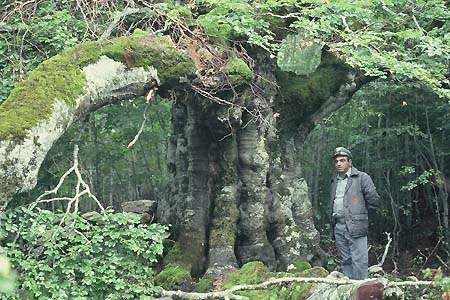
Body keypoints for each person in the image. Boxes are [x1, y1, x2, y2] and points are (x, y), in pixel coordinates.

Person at [329, 147, 380, 280]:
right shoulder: (334, 180)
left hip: (355, 225)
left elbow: (374, 200)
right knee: (346, 259)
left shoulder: (362, 177)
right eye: (336, 161)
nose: (339, 163)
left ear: (350, 162)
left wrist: (360, 217)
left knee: (359, 260)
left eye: (342, 160)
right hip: (338, 225)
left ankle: (361, 289)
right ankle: (350, 290)